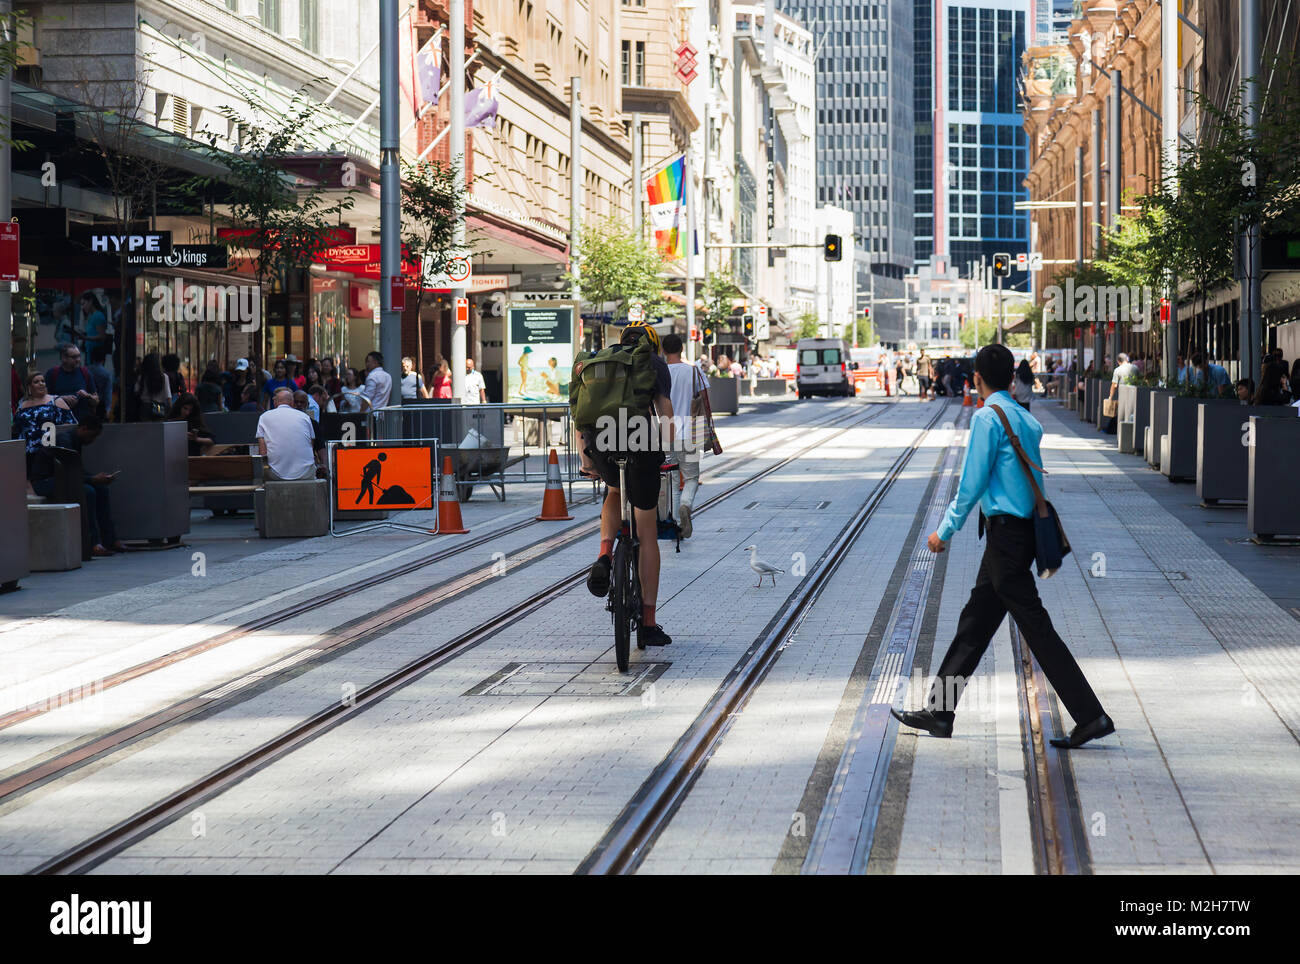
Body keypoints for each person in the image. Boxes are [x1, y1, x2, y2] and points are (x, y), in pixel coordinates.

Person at [892, 343, 1114, 749]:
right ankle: (940, 713)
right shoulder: (1023, 420)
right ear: (1013, 377)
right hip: (1019, 535)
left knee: (1036, 627)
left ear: (976, 378)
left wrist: (946, 529)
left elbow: (972, 482)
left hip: (1006, 537)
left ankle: (1091, 715)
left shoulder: (987, 418)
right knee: (974, 626)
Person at [582, 321, 674, 648]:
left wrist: (586, 458)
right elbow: (664, 409)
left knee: (614, 490)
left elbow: (581, 412)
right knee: (646, 530)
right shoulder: (654, 363)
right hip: (641, 441)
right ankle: (648, 622)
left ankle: (605, 553)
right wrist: (671, 448)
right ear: (651, 343)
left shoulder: (600, 362)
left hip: (601, 439)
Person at [27, 414, 125, 557]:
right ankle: (93, 542)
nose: (92, 440)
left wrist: (94, 479)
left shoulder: (75, 440)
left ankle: (110, 539)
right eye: (91, 436)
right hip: (45, 481)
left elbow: (73, 470)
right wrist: (92, 479)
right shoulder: (65, 440)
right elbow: (67, 472)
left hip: (58, 478)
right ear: (83, 428)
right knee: (88, 492)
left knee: (101, 489)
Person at [663, 333, 708, 539]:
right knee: (691, 478)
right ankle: (685, 505)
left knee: (672, 479)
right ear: (682, 350)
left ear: (663, 351)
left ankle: (674, 524)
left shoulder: (659, 373)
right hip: (691, 432)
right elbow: (706, 401)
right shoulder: (694, 371)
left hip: (665, 433)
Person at [255, 388, 324, 480]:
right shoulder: (306, 418)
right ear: (292, 403)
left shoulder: (264, 417)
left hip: (275, 474)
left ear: (275, 403)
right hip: (305, 473)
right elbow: (310, 445)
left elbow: (262, 452)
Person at [12, 371, 77, 463]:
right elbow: (16, 429)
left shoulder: (55, 401)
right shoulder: (22, 406)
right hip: (27, 452)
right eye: (36, 382)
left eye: (43, 381)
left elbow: (70, 424)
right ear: (29, 387)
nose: (41, 384)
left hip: (49, 451)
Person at [46, 344, 100, 423]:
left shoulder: (85, 373)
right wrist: (62, 399)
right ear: (64, 358)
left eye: (79, 356)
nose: (78, 360)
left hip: (82, 422)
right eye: (74, 357)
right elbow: (44, 399)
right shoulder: (53, 374)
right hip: (60, 421)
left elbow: (96, 401)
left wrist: (87, 396)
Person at [134, 352, 172, 421]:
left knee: (146, 428)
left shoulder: (142, 377)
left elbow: (136, 391)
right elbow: (168, 396)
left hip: (145, 405)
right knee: (158, 427)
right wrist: (170, 409)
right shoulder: (164, 377)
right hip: (158, 406)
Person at [77, 292, 111, 359]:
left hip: (96, 354)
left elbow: (102, 336)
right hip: (90, 352)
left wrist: (85, 338)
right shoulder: (92, 316)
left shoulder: (98, 316)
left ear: (90, 301)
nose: (83, 307)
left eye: (84, 304)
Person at [87, 344, 114, 419]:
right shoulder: (106, 374)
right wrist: (108, 409)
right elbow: (108, 393)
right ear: (103, 358)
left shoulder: (86, 370)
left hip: (87, 403)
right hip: (100, 404)